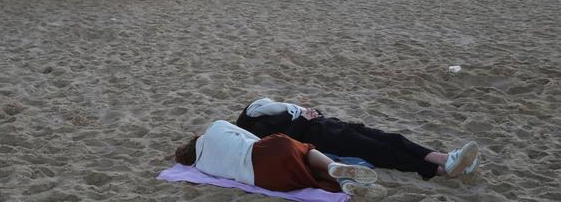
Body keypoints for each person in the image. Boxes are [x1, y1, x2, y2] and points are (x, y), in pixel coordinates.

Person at [236, 98, 480, 181]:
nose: (266, 104)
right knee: (383, 152)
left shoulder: (281, 111)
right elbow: (283, 142)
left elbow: (306, 116)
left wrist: (311, 113)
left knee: (392, 139)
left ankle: (447, 158)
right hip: (328, 138)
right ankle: (441, 170)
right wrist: (304, 120)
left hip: (335, 126)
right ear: (251, 114)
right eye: (259, 105)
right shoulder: (259, 127)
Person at [175, 120, 387, 199]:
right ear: (196, 139)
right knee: (304, 151)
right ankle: (335, 167)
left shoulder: (202, 167)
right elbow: (253, 138)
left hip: (266, 180)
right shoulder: (215, 128)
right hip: (264, 152)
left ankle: (343, 182)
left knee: (305, 171)